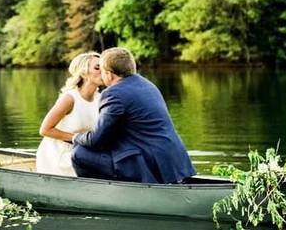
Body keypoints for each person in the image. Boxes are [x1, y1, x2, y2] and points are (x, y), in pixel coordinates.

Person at [71, 47, 195, 184]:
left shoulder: (113, 93)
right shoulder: (148, 85)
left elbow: (96, 140)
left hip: (148, 163)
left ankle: (103, 195)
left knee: (79, 152)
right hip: (175, 162)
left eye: (102, 71)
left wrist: (76, 137)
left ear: (109, 74)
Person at [36, 51, 103, 176]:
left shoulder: (100, 99)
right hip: (58, 157)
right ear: (83, 72)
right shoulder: (70, 98)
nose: (103, 71)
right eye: (97, 67)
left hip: (84, 152)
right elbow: (45, 130)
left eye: (104, 67)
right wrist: (77, 138)